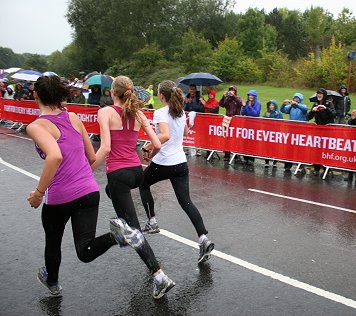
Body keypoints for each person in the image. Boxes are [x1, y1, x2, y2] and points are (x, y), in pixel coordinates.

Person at [26, 76, 118, 296]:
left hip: (60, 197)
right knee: (85, 250)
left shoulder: (36, 126)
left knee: (53, 241)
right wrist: (83, 178)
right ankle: (117, 236)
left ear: (36, 95)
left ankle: (53, 283)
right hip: (89, 192)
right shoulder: (74, 118)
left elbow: (54, 156)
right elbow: (91, 157)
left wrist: (39, 194)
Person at [92, 75, 175, 299]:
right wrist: (149, 155)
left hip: (118, 174)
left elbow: (106, 148)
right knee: (112, 192)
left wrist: (87, 168)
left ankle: (159, 276)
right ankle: (123, 225)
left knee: (133, 231)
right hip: (136, 173)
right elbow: (157, 143)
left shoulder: (106, 112)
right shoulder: (138, 113)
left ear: (112, 92)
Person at [139, 80, 215, 264]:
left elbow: (164, 136)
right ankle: (203, 238)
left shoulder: (160, 113)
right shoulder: (180, 111)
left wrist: (148, 147)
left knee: (143, 184)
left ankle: (152, 221)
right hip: (180, 163)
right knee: (186, 201)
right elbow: (186, 132)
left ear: (161, 96)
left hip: (164, 162)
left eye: (158, 92)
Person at [307, 88, 336, 176]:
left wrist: (325, 108)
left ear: (324, 95)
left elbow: (334, 114)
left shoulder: (329, 103)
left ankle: (326, 169)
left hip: (327, 131)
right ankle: (316, 168)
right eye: (318, 93)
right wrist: (313, 111)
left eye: (321, 94)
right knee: (317, 150)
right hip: (318, 131)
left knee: (326, 150)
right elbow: (308, 117)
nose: (319, 95)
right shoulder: (315, 104)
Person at [281, 93, 308, 172]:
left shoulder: (303, 106)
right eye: (294, 98)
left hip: (300, 131)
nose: (295, 99)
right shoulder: (291, 107)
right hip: (291, 130)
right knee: (289, 149)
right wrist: (283, 104)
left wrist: (297, 104)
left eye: (297, 98)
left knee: (300, 149)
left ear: (300, 99)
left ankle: (300, 166)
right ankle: (287, 166)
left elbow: (305, 109)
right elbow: (283, 110)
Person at [219, 86, 243, 161]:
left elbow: (240, 103)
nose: (231, 91)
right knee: (227, 137)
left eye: (233, 90)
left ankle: (236, 155)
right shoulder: (227, 99)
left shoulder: (238, 98)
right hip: (228, 120)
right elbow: (221, 104)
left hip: (236, 120)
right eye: (230, 90)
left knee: (235, 138)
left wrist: (233, 96)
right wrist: (224, 96)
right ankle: (227, 154)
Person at [240, 90, 261, 165]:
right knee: (245, 142)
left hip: (254, 125)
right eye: (249, 95)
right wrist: (244, 106)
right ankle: (245, 158)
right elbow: (242, 112)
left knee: (252, 143)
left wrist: (248, 106)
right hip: (246, 125)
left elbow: (255, 114)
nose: (250, 97)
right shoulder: (246, 102)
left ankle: (251, 159)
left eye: (252, 95)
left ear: (255, 96)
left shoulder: (258, 104)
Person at [263, 100, 283, 168]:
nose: (271, 106)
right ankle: (267, 162)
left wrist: (276, 116)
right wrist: (266, 117)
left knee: (275, 148)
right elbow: (262, 121)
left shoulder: (279, 113)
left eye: (273, 105)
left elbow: (281, 123)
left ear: (275, 106)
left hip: (276, 133)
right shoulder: (266, 112)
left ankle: (275, 162)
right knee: (267, 147)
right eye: (270, 105)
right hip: (268, 132)